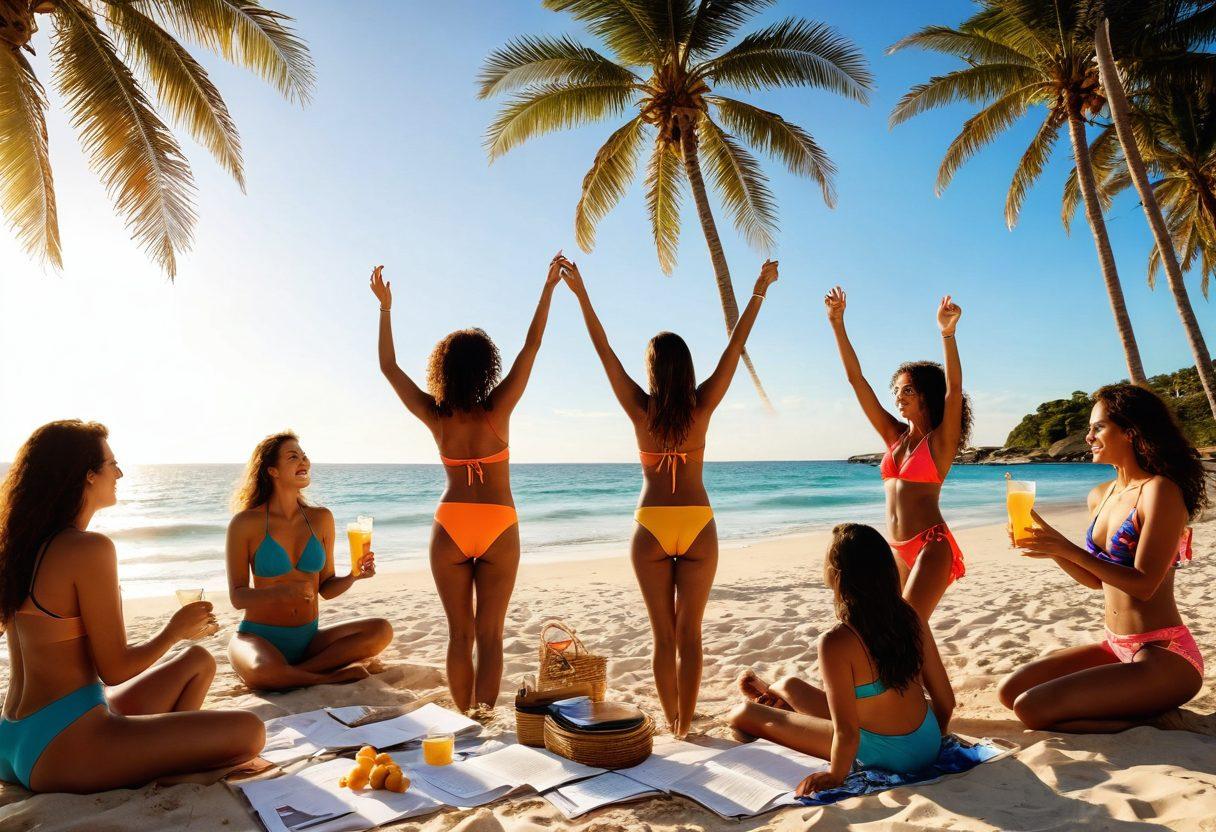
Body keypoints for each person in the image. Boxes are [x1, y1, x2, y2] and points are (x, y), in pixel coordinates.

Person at [562, 256, 777, 737]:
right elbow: (735, 347)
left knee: (663, 635)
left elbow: (604, 351)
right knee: (690, 634)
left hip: (651, 525)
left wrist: (582, 296)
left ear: (654, 371)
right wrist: (759, 289)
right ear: (686, 370)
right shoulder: (702, 406)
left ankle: (674, 723)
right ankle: (685, 723)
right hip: (697, 522)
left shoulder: (641, 411)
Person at [0, 421, 263, 792]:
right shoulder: (88, 549)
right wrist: (174, 631)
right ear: (88, 476)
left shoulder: (22, 547)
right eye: (112, 464)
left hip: (13, 735)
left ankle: (166, 755)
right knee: (250, 731)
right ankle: (168, 767)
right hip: (64, 745)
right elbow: (115, 669)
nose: (119, 473)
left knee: (197, 661)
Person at [370, 257, 559, 711]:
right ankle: (485, 717)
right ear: (486, 368)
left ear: (443, 370)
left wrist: (385, 308)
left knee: (460, 635)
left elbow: (389, 367)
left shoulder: (436, 416)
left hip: (451, 523)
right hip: (498, 523)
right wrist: (548, 287)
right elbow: (532, 345)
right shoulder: (498, 408)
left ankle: (464, 720)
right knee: (490, 635)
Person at [998, 384, 1206, 731]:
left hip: (1164, 653)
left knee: (1031, 709)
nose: (1088, 437)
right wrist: (1051, 548)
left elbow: (1143, 586)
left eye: (1098, 427)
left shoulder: (1160, 491)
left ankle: (1142, 722)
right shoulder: (1101, 495)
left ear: (1130, 431)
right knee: (1010, 692)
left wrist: (1066, 548)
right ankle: (1134, 705)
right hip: (1116, 645)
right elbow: (1097, 581)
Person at [729, 523, 953, 794]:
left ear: (836, 575)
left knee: (742, 714)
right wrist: (935, 741)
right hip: (927, 740)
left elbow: (847, 732)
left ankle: (773, 706)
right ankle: (775, 693)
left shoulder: (836, 641)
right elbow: (946, 701)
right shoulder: (911, 616)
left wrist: (835, 775)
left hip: (882, 753)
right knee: (790, 684)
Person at [825, 287, 970, 619]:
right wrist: (837, 323)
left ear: (926, 395)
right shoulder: (895, 436)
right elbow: (856, 380)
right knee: (897, 629)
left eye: (908, 390)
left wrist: (947, 333)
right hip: (896, 548)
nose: (898, 397)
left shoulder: (940, 442)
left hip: (931, 545)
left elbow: (954, 391)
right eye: (896, 390)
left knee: (910, 626)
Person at [226, 432, 392, 690]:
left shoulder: (321, 518)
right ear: (272, 470)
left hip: (308, 640)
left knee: (381, 630)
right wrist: (280, 593)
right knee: (261, 672)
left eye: (304, 456)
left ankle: (290, 674)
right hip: (258, 637)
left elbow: (326, 588)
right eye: (293, 457)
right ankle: (326, 677)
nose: (304, 461)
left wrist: (353, 575)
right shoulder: (245, 523)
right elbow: (238, 597)